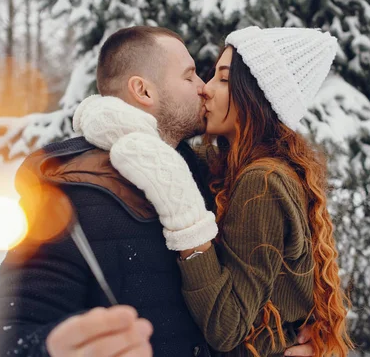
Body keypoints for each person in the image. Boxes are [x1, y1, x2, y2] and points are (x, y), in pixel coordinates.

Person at [0, 26, 314, 357]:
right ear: (144, 91)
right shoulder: (71, 197)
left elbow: (281, 263)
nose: (203, 88)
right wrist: (52, 350)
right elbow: (3, 339)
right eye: (190, 75)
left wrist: (304, 331)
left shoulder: (207, 173)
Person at [74, 26, 355, 356]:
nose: (205, 89)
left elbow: (227, 327)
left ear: (255, 97)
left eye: (223, 79)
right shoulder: (234, 167)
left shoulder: (261, 181)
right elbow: (159, 143)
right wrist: (102, 113)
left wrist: (187, 223)